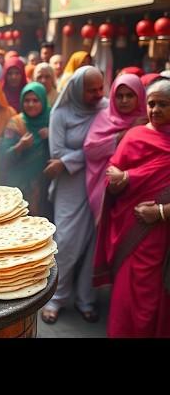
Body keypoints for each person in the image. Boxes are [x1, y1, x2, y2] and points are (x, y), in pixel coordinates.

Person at [93, 79, 170, 337]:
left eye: (163, 104)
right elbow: (111, 176)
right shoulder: (135, 136)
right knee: (126, 299)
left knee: (154, 303)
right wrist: (118, 182)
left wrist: (160, 213)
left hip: (162, 239)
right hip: (130, 233)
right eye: (151, 104)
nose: (155, 109)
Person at [41, 66, 106, 325]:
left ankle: (85, 299)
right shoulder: (62, 112)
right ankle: (56, 297)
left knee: (93, 242)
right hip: (70, 184)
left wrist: (73, 158)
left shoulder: (105, 108)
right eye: (92, 90)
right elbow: (57, 153)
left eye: (101, 88)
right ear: (78, 89)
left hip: (99, 182)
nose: (98, 94)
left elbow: (109, 142)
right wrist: (88, 154)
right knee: (66, 241)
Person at [83, 74, 147, 227]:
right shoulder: (104, 117)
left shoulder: (149, 119)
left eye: (130, 95)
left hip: (139, 187)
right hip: (106, 189)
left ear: (139, 95)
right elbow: (91, 149)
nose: (124, 100)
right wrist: (126, 134)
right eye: (119, 96)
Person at [0, 82, 52, 219]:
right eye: (27, 100)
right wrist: (19, 146)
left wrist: (52, 135)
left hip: (45, 185)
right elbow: (3, 157)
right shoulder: (15, 123)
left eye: (35, 100)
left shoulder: (52, 120)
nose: (31, 104)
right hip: (20, 185)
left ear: (43, 101)